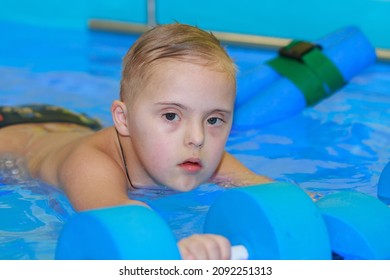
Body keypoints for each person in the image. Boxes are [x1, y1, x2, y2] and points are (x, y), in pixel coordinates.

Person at [0, 23, 271, 259]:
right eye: (171, 115)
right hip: (13, 137)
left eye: (213, 120)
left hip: (74, 122)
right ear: (124, 119)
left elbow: (276, 192)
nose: (197, 138)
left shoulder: (210, 157)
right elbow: (125, 227)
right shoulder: (91, 167)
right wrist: (186, 249)